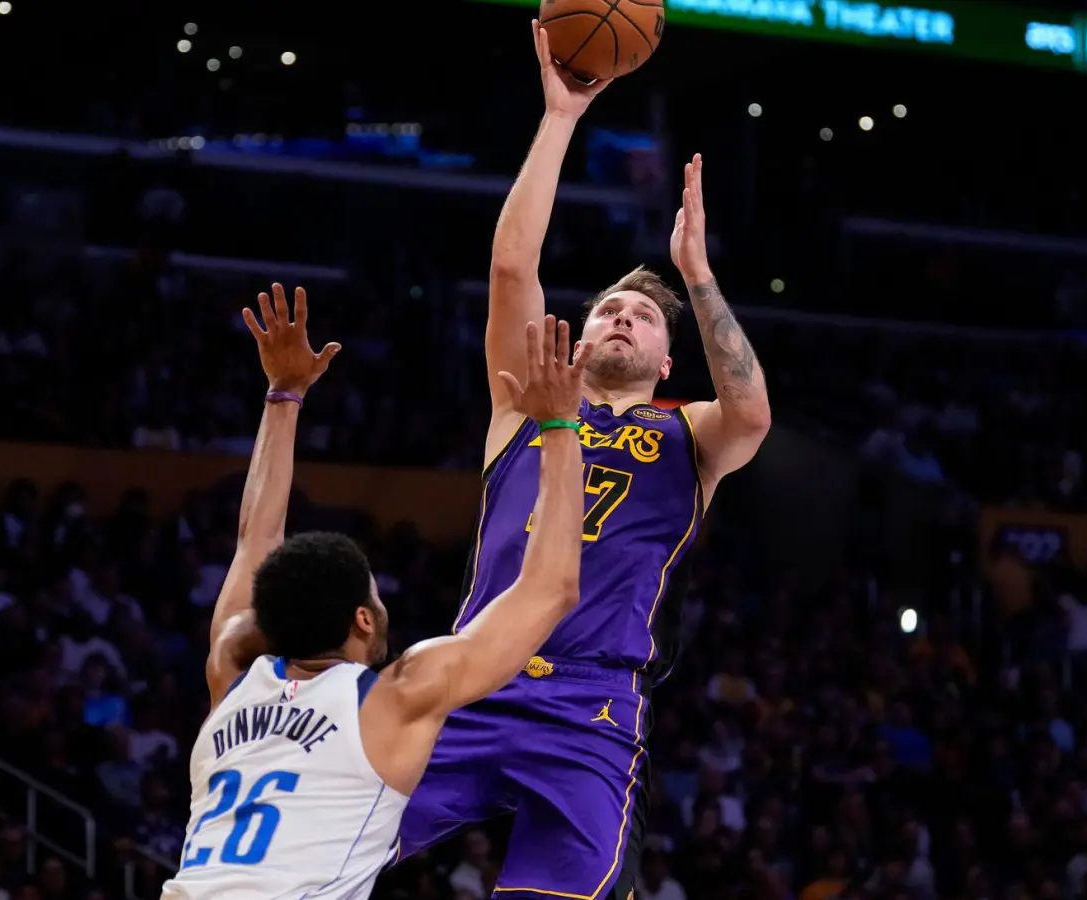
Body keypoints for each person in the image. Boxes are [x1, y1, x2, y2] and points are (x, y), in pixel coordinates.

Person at [392, 21, 774, 897]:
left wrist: (696, 274)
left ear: (667, 361)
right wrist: (561, 116)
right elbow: (509, 268)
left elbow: (752, 409)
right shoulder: (526, 403)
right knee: (324, 843)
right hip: (475, 672)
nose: (618, 319)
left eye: (640, 319)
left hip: (592, 704)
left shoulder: (691, 435)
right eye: (606, 309)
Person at [159, 284, 595, 900]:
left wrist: (283, 395)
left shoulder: (232, 670)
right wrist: (558, 425)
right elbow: (551, 588)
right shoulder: (397, 697)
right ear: (363, 620)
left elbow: (254, 541)